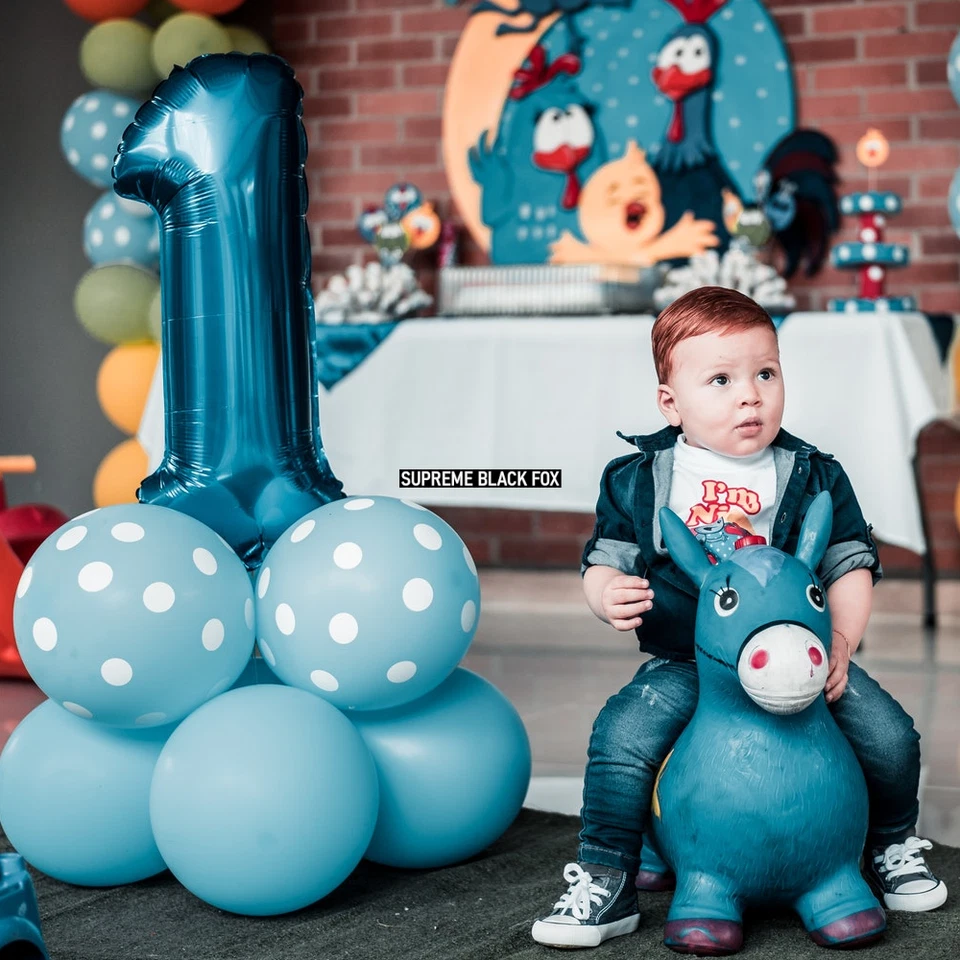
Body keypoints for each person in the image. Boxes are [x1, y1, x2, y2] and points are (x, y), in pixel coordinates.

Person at [531, 287, 947, 949]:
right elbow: (604, 557)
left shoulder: (813, 474)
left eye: (765, 373)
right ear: (671, 401)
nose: (749, 396)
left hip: (800, 661)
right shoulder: (641, 479)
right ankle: (608, 873)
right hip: (688, 661)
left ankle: (891, 844)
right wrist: (605, 592)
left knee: (891, 736)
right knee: (622, 736)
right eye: (720, 380)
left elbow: (849, 565)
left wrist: (840, 642)